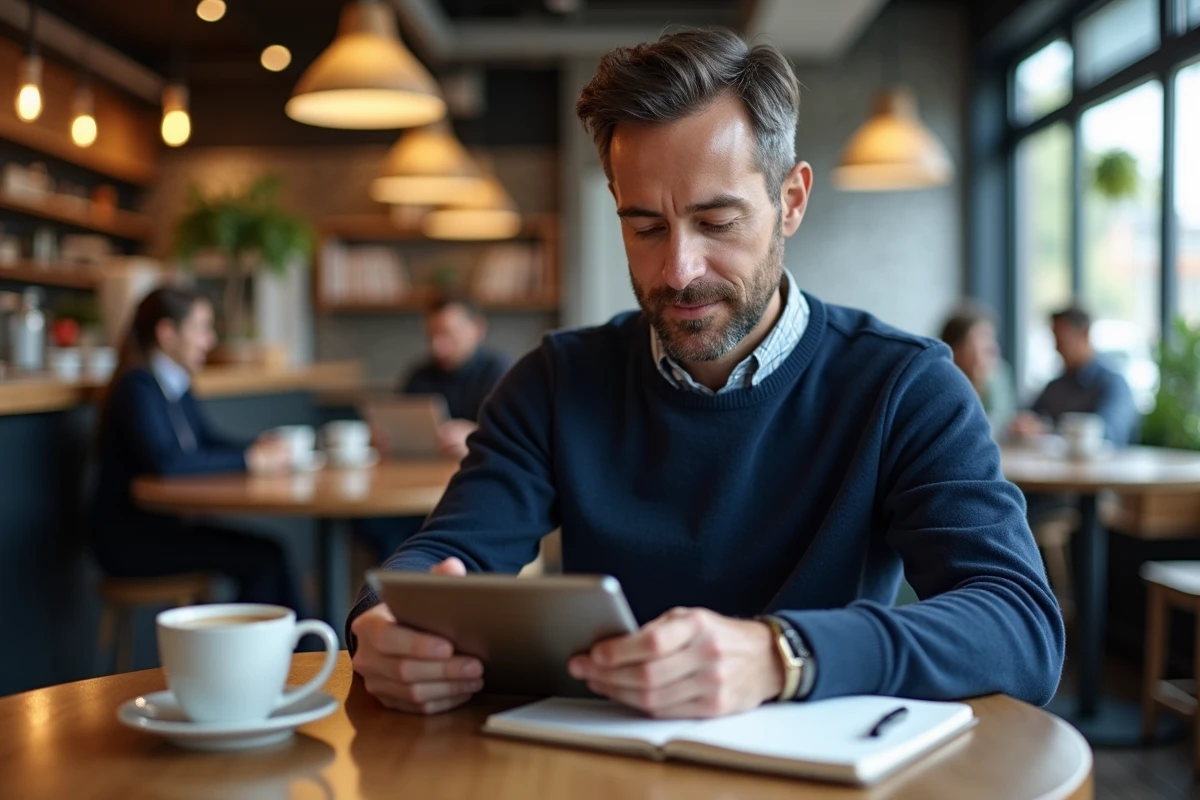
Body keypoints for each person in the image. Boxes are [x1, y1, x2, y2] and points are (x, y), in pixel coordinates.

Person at [349, 28, 1063, 719]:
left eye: (716, 222)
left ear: (791, 200)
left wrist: (783, 655)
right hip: (606, 769)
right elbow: (444, 555)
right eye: (646, 227)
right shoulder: (555, 382)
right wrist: (383, 626)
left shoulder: (905, 386)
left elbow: (1019, 625)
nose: (678, 271)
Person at [91, 287, 305, 611]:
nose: (210, 340)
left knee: (270, 553)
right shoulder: (137, 387)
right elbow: (168, 463)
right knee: (263, 558)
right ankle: (261, 657)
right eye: (202, 328)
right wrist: (250, 460)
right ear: (167, 333)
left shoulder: (174, 383)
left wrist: (259, 446)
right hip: (131, 541)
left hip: (165, 530)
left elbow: (207, 440)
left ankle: (303, 650)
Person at [399, 294, 511, 460]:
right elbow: (402, 429)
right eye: (431, 336)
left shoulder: (502, 373)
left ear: (477, 329)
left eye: (447, 334)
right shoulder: (419, 375)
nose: (437, 346)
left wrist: (476, 436)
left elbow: (517, 438)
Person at [1011, 304, 1139, 446]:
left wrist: (1047, 430)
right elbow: (1027, 415)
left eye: (1062, 340)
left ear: (1084, 334)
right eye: (1055, 340)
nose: (1057, 348)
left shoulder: (1113, 384)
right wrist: (1026, 424)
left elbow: (1110, 433)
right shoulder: (1056, 386)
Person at [939, 303, 1016, 437]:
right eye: (981, 337)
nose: (991, 347)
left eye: (991, 337)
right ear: (956, 349)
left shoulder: (998, 374)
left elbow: (1002, 422)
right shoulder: (941, 384)